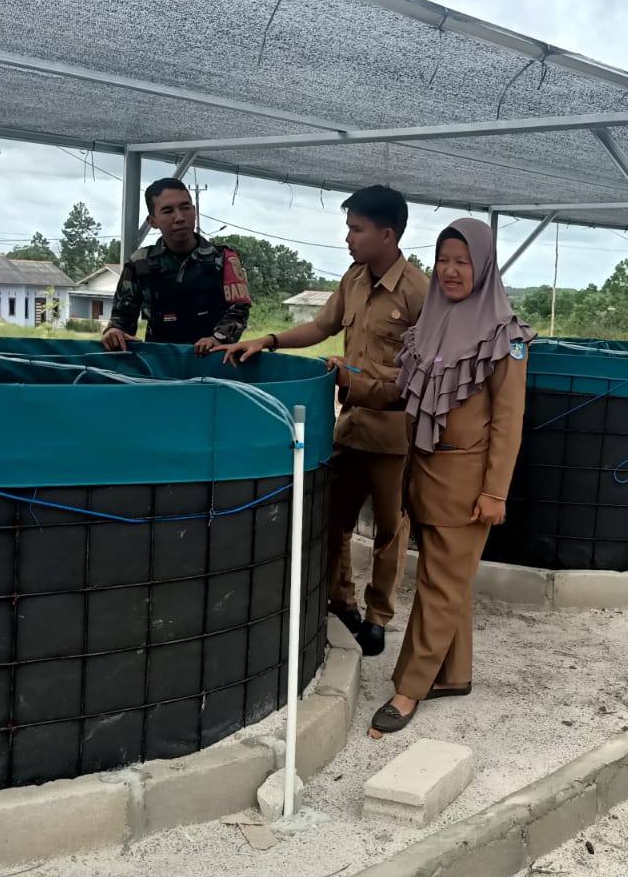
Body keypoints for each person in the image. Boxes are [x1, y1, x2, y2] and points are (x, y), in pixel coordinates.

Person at [215, 186, 428, 656]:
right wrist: (267, 341)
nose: (347, 238)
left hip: (395, 431)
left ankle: (378, 616)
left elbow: (426, 368)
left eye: (356, 229)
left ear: (387, 234)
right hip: (350, 424)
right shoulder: (353, 279)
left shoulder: (419, 291)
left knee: (392, 529)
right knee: (335, 520)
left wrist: (356, 375)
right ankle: (343, 601)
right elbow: (321, 327)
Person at [370, 217, 535, 735]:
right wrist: (350, 382)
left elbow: (509, 421)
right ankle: (452, 675)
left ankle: (409, 688)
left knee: (439, 587)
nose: (451, 271)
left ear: (483, 265)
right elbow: (404, 391)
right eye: (443, 260)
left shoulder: (506, 338)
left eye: (463, 261)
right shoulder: (430, 327)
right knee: (448, 582)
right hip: (423, 473)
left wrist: (494, 491)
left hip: (467, 485)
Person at [100, 177, 252, 355]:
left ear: (194, 211)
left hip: (212, 361)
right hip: (159, 364)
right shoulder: (140, 263)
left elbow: (238, 310)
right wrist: (113, 332)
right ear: (152, 221)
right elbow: (122, 316)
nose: (179, 217)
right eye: (167, 211)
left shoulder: (223, 259)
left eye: (185, 208)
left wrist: (217, 338)